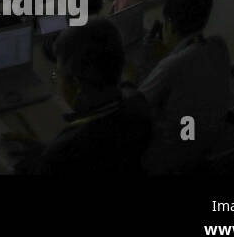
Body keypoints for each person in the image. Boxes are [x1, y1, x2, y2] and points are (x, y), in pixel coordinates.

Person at [19, 19, 152, 174]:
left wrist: (48, 155)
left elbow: (71, 153)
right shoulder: (136, 101)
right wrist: (48, 150)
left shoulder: (66, 149)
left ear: (75, 83)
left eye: (58, 74)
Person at [138, 0, 230, 173]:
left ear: (169, 23)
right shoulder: (218, 45)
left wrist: (147, 65)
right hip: (208, 144)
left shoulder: (172, 66)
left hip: (170, 161)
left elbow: (137, 106)